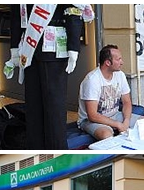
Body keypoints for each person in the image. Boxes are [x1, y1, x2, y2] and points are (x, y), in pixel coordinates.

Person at [6, 5, 92, 149]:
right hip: (29, 51)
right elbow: (16, 15)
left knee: (54, 109)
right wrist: (14, 49)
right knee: (33, 108)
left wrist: (73, 47)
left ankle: (56, 152)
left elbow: (73, 10)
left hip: (54, 49)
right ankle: (36, 149)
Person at [78, 44, 142, 140]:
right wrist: (118, 124)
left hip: (115, 115)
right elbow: (92, 115)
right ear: (108, 62)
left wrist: (126, 121)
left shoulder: (120, 75)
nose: (122, 62)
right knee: (106, 135)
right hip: (90, 121)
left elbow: (127, 102)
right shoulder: (92, 80)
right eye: (118, 59)